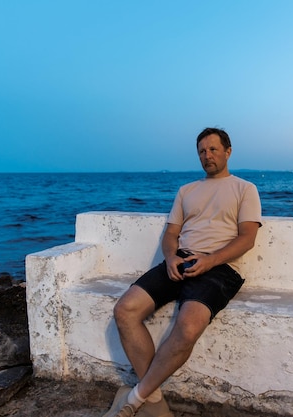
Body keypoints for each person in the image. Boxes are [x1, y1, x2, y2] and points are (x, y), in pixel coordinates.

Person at [102, 127, 262, 417]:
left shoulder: (245, 188)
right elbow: (171, 233)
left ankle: (136, 398)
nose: (207, 155)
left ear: (228, 152)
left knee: (188, 327)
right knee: (125, 310)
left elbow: (247, 238)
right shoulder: (186, 191)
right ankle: (154, 399)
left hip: (220, 268)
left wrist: (210, 260)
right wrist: (170, 256)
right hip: (180, 261)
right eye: (202, 151)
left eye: (213, 149)